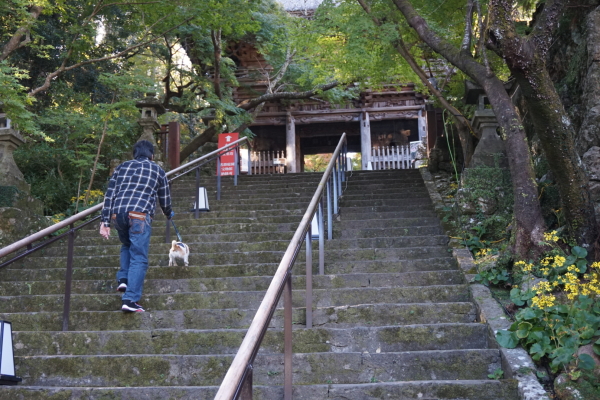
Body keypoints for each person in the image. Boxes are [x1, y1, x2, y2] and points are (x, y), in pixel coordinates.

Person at [99, 140, 174, 312]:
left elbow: (109, 195)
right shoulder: (157, 170)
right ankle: (130, 299)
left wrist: (105, 222)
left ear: (135, 154)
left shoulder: (122, 167)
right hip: (139, 215)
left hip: (118, 214)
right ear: (151, 155)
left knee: (126, 245)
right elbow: (165, 198)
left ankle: (124, 279)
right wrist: (168, 213)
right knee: (139, 257)